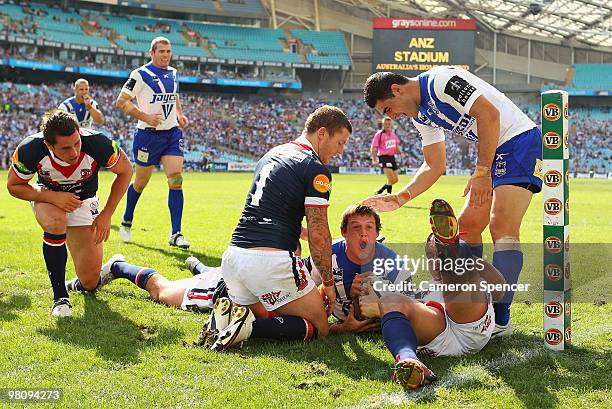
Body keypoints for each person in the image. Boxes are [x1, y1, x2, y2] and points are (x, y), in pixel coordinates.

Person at [362, 67, 542, 336]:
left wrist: (482, 172)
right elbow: (434, 165)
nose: (392, 116)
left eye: (388, 109)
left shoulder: (441, 81)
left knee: (502, 226)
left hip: (518, 142)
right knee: (467, 228)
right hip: (493, 149)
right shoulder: (421, 116)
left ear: (397, 90)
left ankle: (501, 320)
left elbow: (488, 113)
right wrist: (401, 197)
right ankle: (475, 307)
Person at [205, 105, 351, 351]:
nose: (341, 150)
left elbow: (269, 210)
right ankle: (247, 329)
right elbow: (318, 232)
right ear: (322, 133)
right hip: (269, 262)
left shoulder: (272, 154)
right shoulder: (315, 168)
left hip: (233, 258)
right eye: (340, 142)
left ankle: (227, 319)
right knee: (320, 326)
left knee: (265, 313)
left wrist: (297, 231)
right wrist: (328, 284)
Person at [357, 198, 506, 391]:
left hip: (470, 326)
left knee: (458, 282)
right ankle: (409, 361)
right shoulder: (423, 288)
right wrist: (376, 305)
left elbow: (500, 290)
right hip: (437, 336)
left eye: (437, 254)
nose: (434, 260)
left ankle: (452, 250)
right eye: (431, 256)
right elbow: (399, 314)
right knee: (391, 300)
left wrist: (469, 259)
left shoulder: (474, 274)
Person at [6, 110, 132, 317]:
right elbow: (14, 186)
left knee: (90, 283)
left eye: (76, 143)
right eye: (65, 148)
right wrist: (53, 197)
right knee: (56, 220)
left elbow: (126, 171)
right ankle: (60, 297)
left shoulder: (98, 142)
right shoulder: (30, 149)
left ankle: (96, 274)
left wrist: (106, 214)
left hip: (85, 200)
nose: (73, 152)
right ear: (48, 145)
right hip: (48, 198)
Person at [115, 36, 190, 248]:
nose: (166, 55)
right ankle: (127, 220)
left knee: (176, 180)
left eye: (168, 51)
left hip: (171, 134)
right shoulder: (139, 74)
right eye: (162, 51)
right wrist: (145, 117)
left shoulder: (174, 73)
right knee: (141, 182)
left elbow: (173, 95)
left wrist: (180, 114)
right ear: (152, 53)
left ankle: (176, 233)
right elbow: (121, 101)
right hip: (147, 136)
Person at [371, 116, 400, 195]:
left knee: (395, 180)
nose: (388, 125)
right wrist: (374, 159)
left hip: (392, 157)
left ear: (391, 124)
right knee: (391, 178)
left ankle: (380, 191)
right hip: (384, 158)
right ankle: (388, 196)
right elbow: (373, 148)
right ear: (383, 124)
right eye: (386, 124)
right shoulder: (379, 134)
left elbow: (396, 145)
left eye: (389, 124)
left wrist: (400, 152)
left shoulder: (393, 134)